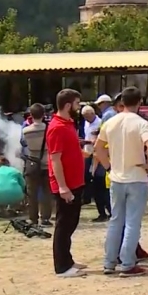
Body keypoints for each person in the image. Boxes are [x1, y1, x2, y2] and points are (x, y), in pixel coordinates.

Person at [95, 87, 148, 277]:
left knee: (115, 221)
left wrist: (108, 166)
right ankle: (128, 263)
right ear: (139, 102)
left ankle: (109, 261)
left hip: (116, 177)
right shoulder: (141, 123)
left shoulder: (110, 122)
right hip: (136, 176)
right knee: (132, 222)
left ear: (122, 103)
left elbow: (98, 148)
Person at [48, 88, 87, 278]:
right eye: (78, 104)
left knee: (71, 223)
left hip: (75, 182)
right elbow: (55, 159)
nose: (79, 108)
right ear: (68, 105)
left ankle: (68, 259)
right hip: (66, 185)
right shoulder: (56, 127)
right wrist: (62, 186)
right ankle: (61, 266)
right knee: (64, 225)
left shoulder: (68, 124)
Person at [22, 104, 54, 226]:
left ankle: (33, 218)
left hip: (32, 162)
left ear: (31, 115)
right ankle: (45, 218)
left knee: (32, 193)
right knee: (47, 192)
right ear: (44, 114)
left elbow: (23, 145)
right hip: (47, 162)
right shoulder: (49, 128)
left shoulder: (26, 131)